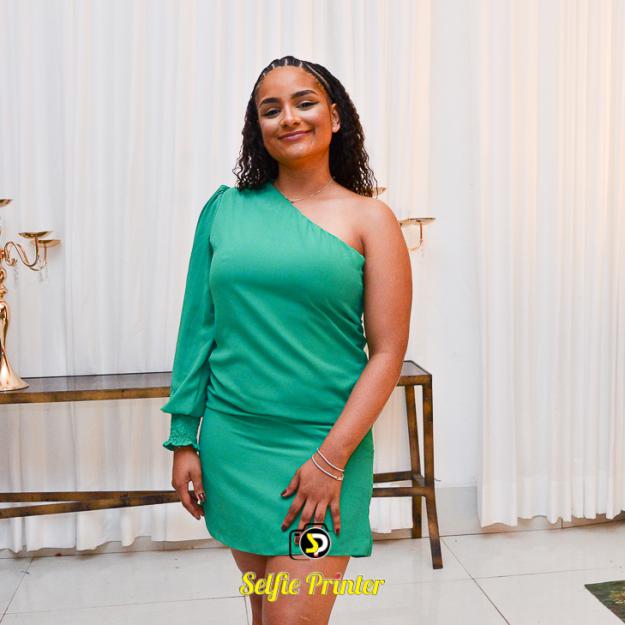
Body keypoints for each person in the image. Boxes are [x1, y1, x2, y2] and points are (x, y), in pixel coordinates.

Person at [160, 55, 411, 625]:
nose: (288, 118)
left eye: (304, 102)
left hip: (324, 448)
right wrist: (183, 439)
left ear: (335, 117)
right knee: (264, 611)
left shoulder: (371, 219)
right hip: (234, 446)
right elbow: (197, 329)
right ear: (258, 127)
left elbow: (387, 353)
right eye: (270, 110)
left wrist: (330, 460)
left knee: (290, 619)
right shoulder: (224, 211)